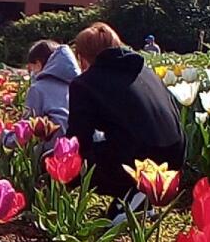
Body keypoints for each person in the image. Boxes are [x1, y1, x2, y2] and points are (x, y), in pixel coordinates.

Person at [67, 22, 184, 215]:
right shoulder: (146, 72)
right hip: (174, 158)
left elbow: (77, 140)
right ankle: (135, 197)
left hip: (138, 163)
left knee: (75, 159)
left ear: (82, 57)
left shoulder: (85, 83)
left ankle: (133, 193)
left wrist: (59, 177)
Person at [23, 39, 79, 134]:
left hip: (54, 141)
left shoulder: (37, 89)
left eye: (31, 68)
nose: (31, 73)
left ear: (38, 64)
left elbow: (26, 129)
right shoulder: (79, 85)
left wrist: (4, 136)